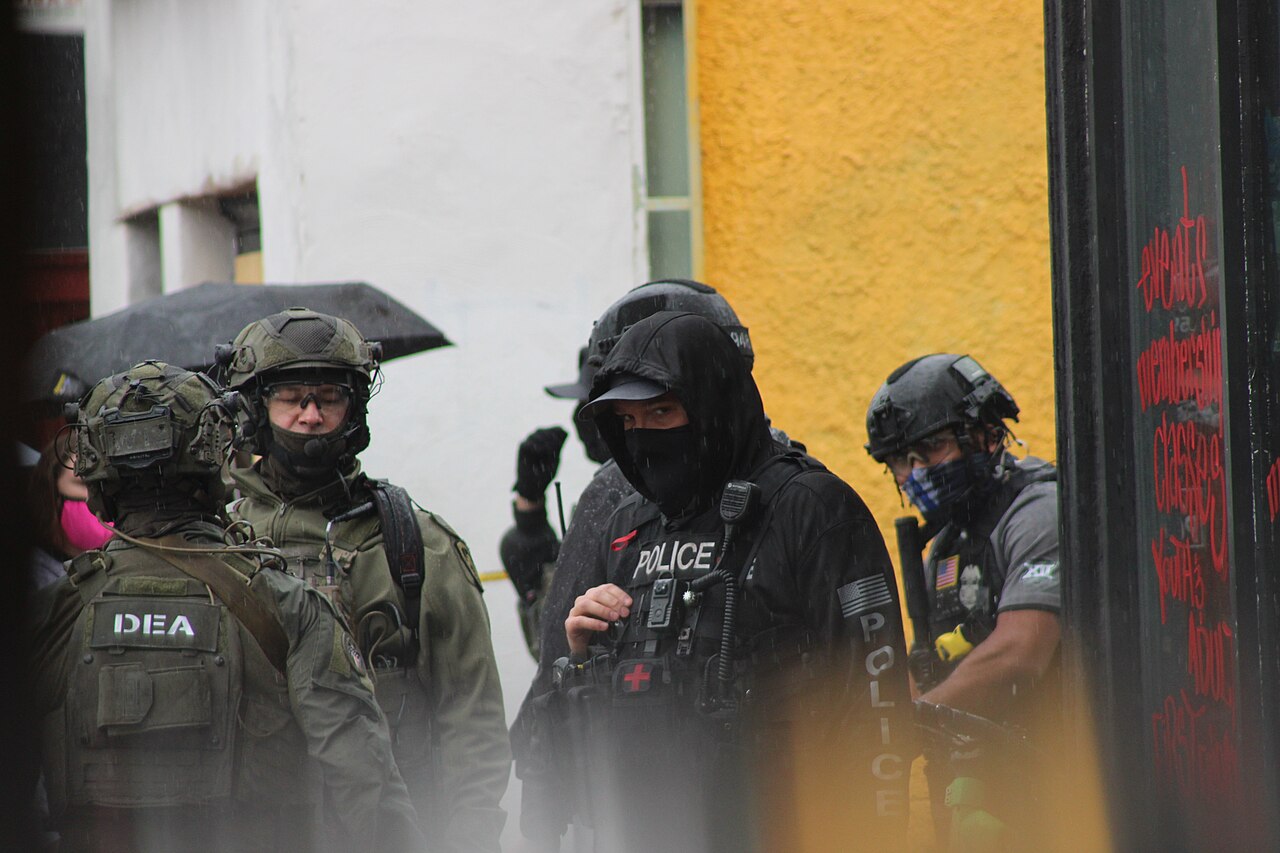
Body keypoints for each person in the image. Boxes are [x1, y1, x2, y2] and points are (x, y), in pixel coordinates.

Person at [548, 311, 911, 852]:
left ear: (712, 405)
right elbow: (595, 749)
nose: (643, 436)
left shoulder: (811, 508)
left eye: (662, 411)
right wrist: (582, 658)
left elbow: (877, 712)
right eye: (627, 420)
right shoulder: (629, 525)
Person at [28, 361, 424, 853]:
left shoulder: (52, 612)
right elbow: (367, 787)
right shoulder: (289, 607)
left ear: (96, 470)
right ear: (216, 461)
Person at [217, 307, 510, 852]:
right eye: (291, 399)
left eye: (328, 398)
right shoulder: (219, 541)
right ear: (257, 409)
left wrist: (471, 834)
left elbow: (473, 720)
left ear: (354, 409)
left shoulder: (418, 545)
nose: (310, 416)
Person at [510, 280, 784, 845]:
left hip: (636, 796)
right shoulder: (781, 473)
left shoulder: (618, 491)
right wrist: (530, 520)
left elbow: (554, 663)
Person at [864, 353, 1060, 845]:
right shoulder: (945, 545)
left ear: (986, 434)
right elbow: (932, 663)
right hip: (984, 789)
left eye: (929, 449)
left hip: (1059, 777)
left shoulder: (1038, 513)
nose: (915, 473)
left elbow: (1022, 650)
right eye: (899, 461)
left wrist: (918, 718)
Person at [26, 438, 113, 588]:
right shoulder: (25, 578)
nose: (99, 494)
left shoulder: (126, 563)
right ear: (51, 493)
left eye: (107, 483)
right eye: (84, 483)